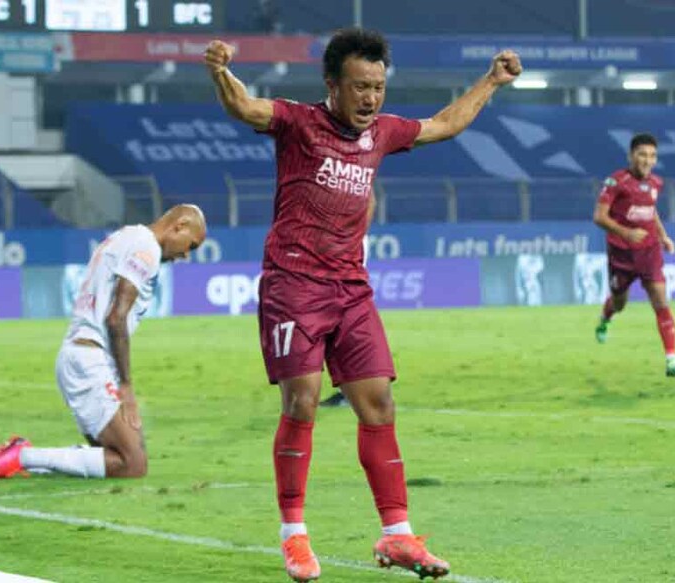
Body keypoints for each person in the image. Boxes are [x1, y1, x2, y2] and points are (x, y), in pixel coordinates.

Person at [205, 28, 521, 581]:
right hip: (293, 284)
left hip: (351, 289)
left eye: (378, 86)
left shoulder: (383, 133)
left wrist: (491, 81)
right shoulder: (298, 122)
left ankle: (397, 535)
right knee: (302, 402)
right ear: (332, 84)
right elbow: (245, 107)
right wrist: (220, 70)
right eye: (360, 87)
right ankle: (294, 535)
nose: (371, 98)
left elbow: (444, 124)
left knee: (378, 405)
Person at [0, 205, 207, 481]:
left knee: (110, 456)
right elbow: (116, 318)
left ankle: (28, 461)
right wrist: (126, 386)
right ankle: (22, 456)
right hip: (90, 361)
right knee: (133, 464)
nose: (186, 254)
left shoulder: (126, 235)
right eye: (191, 245)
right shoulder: (146, 249)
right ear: (179, 226)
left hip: (79, 355)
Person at [593, 133, 675, 377]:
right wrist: (626, 233)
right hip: (621, 255)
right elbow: (599, 217)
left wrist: (663, 236)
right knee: (620, 304)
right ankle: (605, 318)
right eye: (642, 154)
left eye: (652, 155)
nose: (648, 160)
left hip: (649, 252)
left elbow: (651, 211)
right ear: (631, 156)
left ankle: (672, 358)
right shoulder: (616, 181)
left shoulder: (656, 183)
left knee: (661, 301)